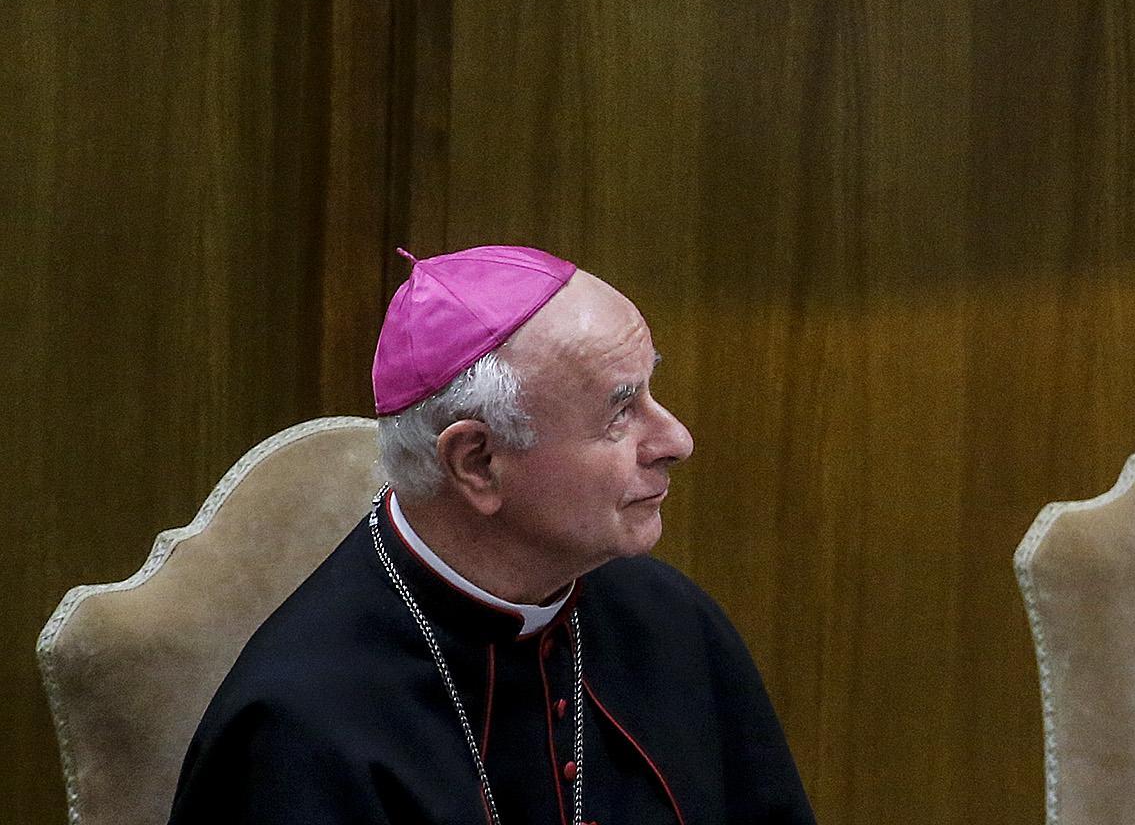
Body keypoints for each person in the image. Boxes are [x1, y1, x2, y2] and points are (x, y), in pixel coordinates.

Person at [169, 246, 814, 823]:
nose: (676, 440)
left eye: (651, 391)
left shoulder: (673, 622)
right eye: (621, 411)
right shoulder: (299, 726)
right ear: (477, 462)